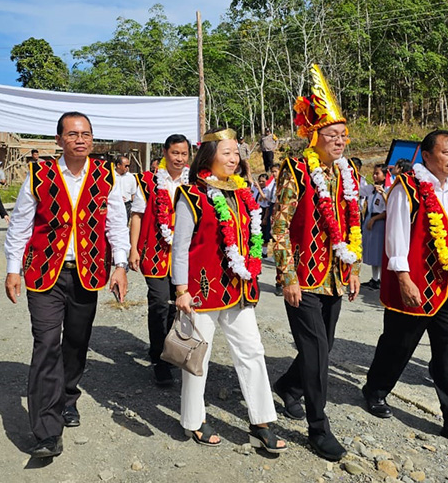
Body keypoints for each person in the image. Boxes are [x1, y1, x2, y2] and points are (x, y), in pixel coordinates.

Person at [4, 112, 130, 459]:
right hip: (46, 274)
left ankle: (68, 396)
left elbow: (116, 224)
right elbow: (20, 225)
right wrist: (13, 269)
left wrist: (119, 265)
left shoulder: (106, 176)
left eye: (86, 134)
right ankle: (46, 430)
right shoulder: (38, 174)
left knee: (76, 342)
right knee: (46, 343)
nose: (80, 139)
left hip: (87, 273)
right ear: (59, 139)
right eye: (72, 134)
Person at [362, 130, 448, 452]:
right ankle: (375, 390)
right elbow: (396, 237)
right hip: (415, 282)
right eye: (447, 152)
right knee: (398, 344)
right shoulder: (407, 188)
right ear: (426, 153)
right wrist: (404, 279)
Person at [172, 128, 285, 454]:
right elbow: (180, 249)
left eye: (236, 152)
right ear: (209, 156)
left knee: (252, 352)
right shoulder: (191, 196)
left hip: (239, 290)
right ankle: (194, 420)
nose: (234, 158)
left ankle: (261, 421)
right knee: (198, 358)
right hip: (201, 291)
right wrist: (181, 289)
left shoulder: (243, 193)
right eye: (227, 152)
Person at [270, 64, 362, 461]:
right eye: (332, 134)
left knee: (322, 346)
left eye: (343, 134)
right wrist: (287, 275)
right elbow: (279, 226)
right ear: (315, 136)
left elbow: (351, 225)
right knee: (318, 351)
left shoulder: (349, 172)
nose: (340, 141)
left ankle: (289, 387)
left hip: (336, 276)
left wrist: (354, 268)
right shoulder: (295, 171)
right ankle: (318, 426)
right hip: (304, 278)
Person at [128, 134, 191, 387]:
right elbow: (137, 216)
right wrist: (133, 249)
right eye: (175, 153)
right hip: (155, 254)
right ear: (165, 152)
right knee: (159, 303)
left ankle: (170, 349)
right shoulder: (148, 181)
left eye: (184, 154)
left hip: (185, 256)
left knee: (178, 305)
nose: (179, 158)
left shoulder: (194, 182)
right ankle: (159, 358)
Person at [363, 164, 387, 289]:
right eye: (374, 173)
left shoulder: (387, 189)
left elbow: (388, 209)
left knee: (379, 251)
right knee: (372, 250)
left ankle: (382, 279)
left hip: (379, 220)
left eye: (377, 173)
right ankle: (374, 278)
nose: (374, 176)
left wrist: (374, 219)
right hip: (370, 218)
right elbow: (359, 191)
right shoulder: (371, 189)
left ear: (384, 175)